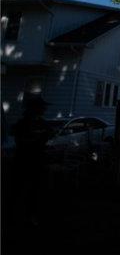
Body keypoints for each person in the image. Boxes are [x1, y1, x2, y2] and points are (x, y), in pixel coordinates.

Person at [13, 93, 53, 226]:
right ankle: (20, 215)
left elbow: (48, 134)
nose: (44, 110)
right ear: (34, 108)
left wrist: (44, 137)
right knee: (22, 188)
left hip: (38, 161)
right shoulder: (23, 123)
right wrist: (36, 139)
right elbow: (21, 141)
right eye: (42, 107)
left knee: (36, 189)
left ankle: (31, 214)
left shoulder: (42, 123)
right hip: (24, 161)